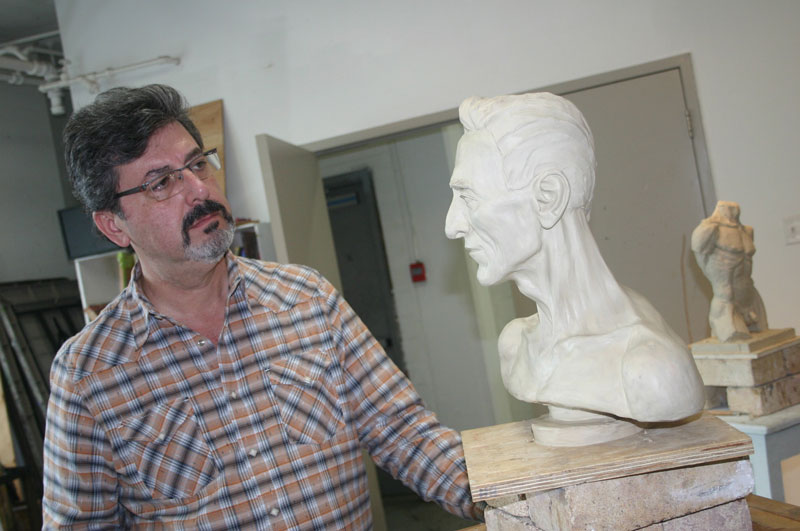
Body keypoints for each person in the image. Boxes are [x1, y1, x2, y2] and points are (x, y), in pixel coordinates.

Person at [43, 84, 482, 528]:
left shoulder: (307, 299)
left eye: (197, 164)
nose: (199, 188)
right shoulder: (87, 375)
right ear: (114, 226)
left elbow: (405, 434)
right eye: (161, 183)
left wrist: (508, 499)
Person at [445, 93, 704, 444]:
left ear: (548, 197)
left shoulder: (649, 367)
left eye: (468, 197)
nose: (452, 225)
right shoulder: (516, 346)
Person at [691, 200, 768, 342]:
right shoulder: (709, 229)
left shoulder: (746, 230)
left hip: (748, 296)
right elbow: (699, 253)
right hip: (726, 298)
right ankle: (727, 325)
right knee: (735, 337)